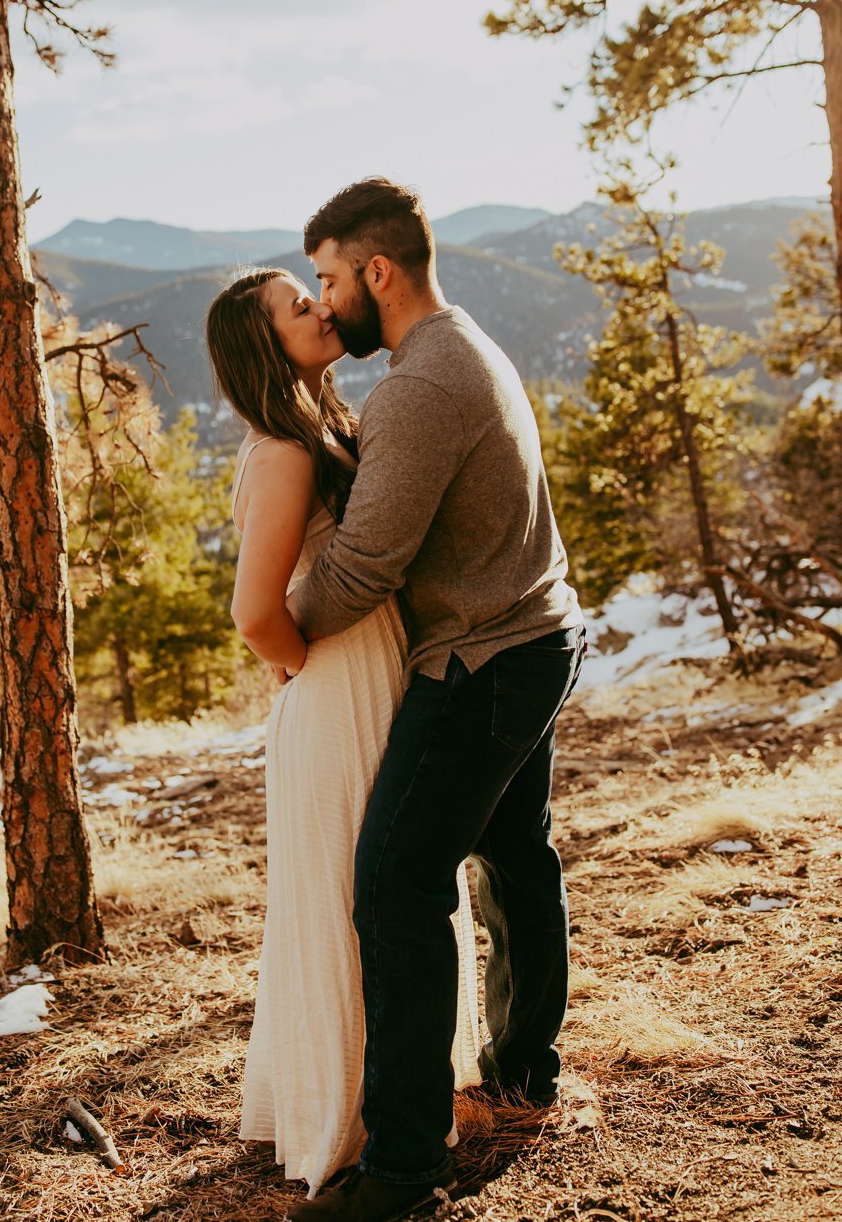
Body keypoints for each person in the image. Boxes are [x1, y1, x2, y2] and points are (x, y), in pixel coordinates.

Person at [285, 178, 586, 1222]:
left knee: (396, 887)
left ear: (376, 271)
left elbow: (363, 564)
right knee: (513, 855)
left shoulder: (418, 385)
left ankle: (403, 1167)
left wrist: (280, 631)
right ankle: (520, 1072)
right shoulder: (461, 345)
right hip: (537, 636)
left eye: (326, 278)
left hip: (481, 663)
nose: (322, 304)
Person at [205, 266, 482, 1204]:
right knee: (345, 896)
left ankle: (391, 1090)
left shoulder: (320, 425)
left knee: (386, 884)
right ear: (265, 345)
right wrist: (299, 665)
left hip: (372, 674)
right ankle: (350, 1116)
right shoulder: (283, 451)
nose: (320, 308)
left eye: (310, 292)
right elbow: (254, 613)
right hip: (336, 691)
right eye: (298, 308)